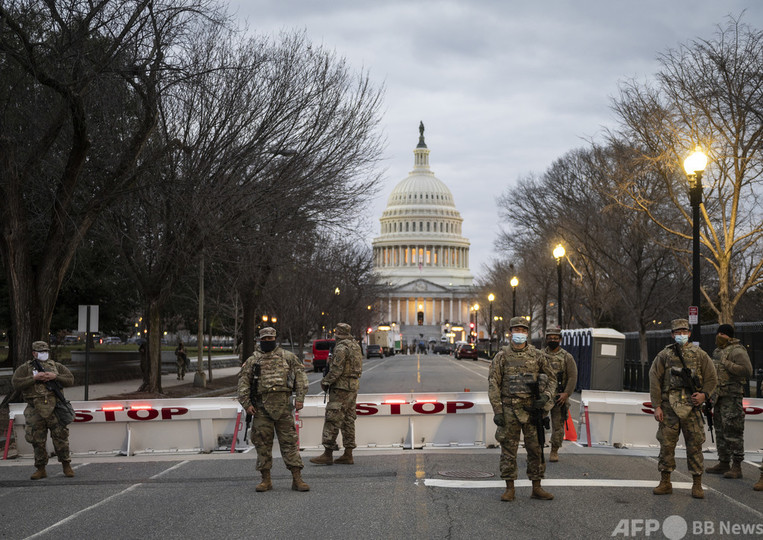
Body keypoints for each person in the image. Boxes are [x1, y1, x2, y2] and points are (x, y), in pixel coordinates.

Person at [488, 316, 556, 501]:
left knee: (536, 449)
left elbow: (551, 378)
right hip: (509, 409)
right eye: (516, 330)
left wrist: (546, 398)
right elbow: (493, 383)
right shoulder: (502, 356)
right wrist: (498, 411)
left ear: (527, 332)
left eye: (523, 330)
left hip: (532, 409)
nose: (519, 333)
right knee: (508, 450)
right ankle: (509, 488)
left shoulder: (538, 356)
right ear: (511, 332)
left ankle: (537, 486)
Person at [649, 319, 717, 499]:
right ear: (672, 334)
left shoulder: (700, 355)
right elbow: (654, 380)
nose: (681, 335)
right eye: (677, 332)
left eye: (684, 331)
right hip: (669, 407)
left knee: (695, 446)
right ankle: (665, 481)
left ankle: (697, 483)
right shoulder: (664, 355)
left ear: (689, 333)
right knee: (666, 445)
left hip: (692, 408)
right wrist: (657, 406)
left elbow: (712, 378)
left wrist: (704, 395)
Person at [238, 327, 309, 492]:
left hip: (284, 407)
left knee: (290, 443)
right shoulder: (253, 360)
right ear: (260, 340)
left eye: (271, 339)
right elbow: (243, 383)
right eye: (265, 339)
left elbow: (301, 377)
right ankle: (266, 480)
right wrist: (246, 403)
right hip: (261, 409)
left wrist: (299, 398)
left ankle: (297, 479)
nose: (268, 341)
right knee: (262, 444)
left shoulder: (288, 357)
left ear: (275, 338)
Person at [11, 340, 75, 480]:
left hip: (55, 408)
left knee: (61, 437)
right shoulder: (25, 368)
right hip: (35, 409)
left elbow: (70, 379)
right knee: (37, 440)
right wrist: (34, 379)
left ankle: (66, 465)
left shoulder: (56, 366)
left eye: (46, 351)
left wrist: (55, 377)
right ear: (34, 353)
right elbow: (16, 383)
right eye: (41, 352)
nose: (44, 354)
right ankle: (40, 468)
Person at [704, 324, 752, 479]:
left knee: (733, 431)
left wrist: (728, 363)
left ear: (729, 336)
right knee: (720, 431)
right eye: (718, 333)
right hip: (718, 397)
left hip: (732, 397)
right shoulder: (717, 351)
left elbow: (747, 370)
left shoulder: (738, 351)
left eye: (722, 334)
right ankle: (723, 461)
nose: (719, 336)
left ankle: (736, 466)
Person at [310, 323, 363, 465]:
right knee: (348, 419)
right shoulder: (355, 346)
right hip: (352, 387)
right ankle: (348, 453)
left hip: (340, 388)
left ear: (338, 334)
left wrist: (325, 382)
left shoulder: (341, 348)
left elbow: (336, 370)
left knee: (333, 418)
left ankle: (328, 453)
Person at [542, 325, 577, 462]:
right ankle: (538, 451)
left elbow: (572, 377)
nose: (553, 340)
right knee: (537, 424)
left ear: (560, 340)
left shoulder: (567, 357)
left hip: (559, 397)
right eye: (550, 338)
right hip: (543, 396)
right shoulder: (540, 355)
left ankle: (554, 450)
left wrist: (566, 393)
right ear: (546, 339)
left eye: (555, 338)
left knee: (558, 426)